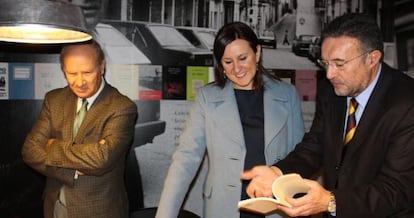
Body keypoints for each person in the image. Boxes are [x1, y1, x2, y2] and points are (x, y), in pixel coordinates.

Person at [241, 13, 414, 217]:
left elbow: (397, 189)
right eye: (325, 63)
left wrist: (331, 201)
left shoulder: (407, 103)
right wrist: (277, 173)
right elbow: (315, 145)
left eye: (340, 64)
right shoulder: (330, 90)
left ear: (372, 59)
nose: (330, 74)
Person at [155, 21, 305, 218]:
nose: (237, 69)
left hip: (276, 207)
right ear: (220, 64)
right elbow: (185, 159)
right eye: (228, 62)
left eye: (243, 58)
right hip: (224, 207)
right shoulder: (206, 98)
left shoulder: (287, 94)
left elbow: (300, 158)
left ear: (257, 53)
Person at [21, 39, 138, 218]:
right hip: (55, 208)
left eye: (87, 72)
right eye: (72, 73)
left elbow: (102, 158)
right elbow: (29, 151)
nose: (79, 81)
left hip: (100, 211)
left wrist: (52, 146)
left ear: (102, 67)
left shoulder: (121, 107)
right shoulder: (54, 100)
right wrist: (72, 171)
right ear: (63, 71)